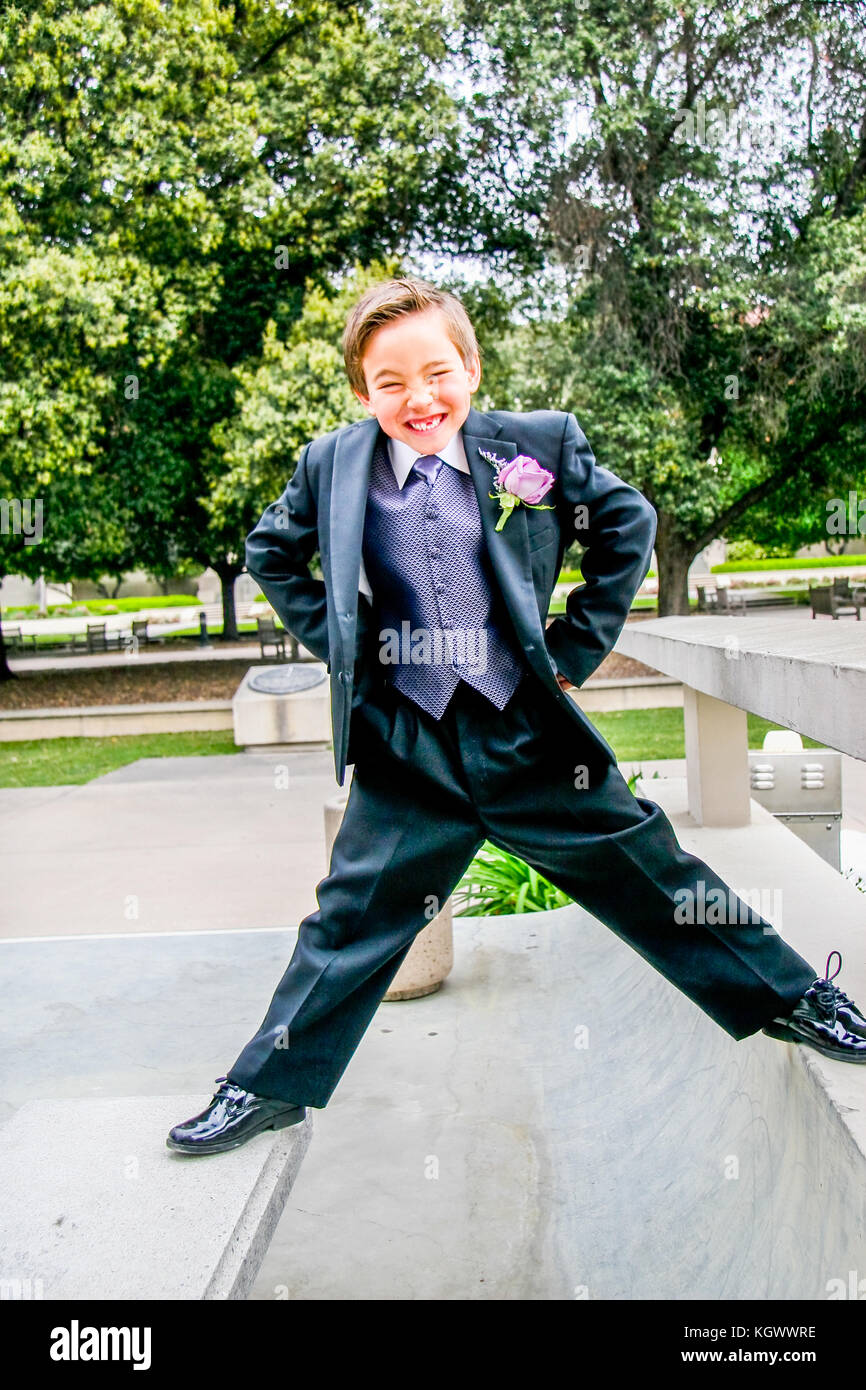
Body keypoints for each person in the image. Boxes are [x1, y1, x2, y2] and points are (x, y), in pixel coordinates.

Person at [167, 277, 866, 1155]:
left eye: (437, 373)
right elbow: (271, 553)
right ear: (362, 391)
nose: (419, 398)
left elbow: (627, 523)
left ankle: (795, 997)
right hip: (410, 737)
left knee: (650, 872)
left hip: (527, 731)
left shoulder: (536, 446)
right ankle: (265, 1086)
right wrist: (351, 644)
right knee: (350, 916)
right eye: (390, 383)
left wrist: (573, 649)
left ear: (470, 367)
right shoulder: (331, 465)